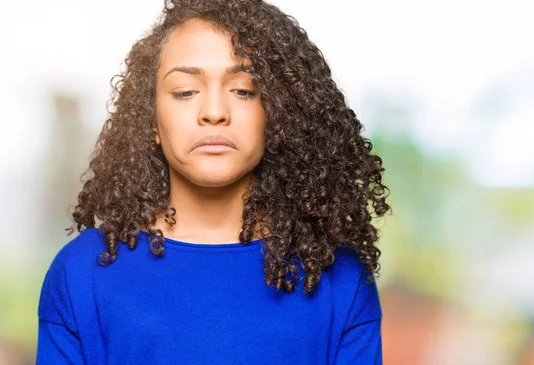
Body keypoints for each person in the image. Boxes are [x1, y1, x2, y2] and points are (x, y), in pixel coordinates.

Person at [36, 0, 392, 363]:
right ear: (151, 121)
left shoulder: (339, 277)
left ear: (278, 114)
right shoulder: (83, 272)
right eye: (186, 92)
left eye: (243, 90)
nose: (214, 112)